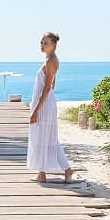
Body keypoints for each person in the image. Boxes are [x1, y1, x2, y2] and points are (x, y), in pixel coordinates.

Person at [27, 32, 75, 183]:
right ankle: (42, 174)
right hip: (45, 104)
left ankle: (67, 170)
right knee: (44, 138)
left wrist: (36, 111)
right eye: (41, 42)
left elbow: (47, 88)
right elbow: (52, 80)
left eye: (46, 43)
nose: (42, 45)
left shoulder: (50, 60)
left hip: (44, 105)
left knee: (47, 138)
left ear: (54, 45)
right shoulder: (51, 59)